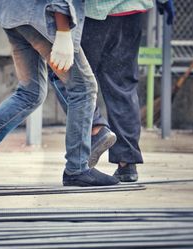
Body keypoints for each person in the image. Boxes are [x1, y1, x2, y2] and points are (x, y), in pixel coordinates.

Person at [0, 0, 119, 187]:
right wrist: (63, 32)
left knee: (31, 92)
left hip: (12, 13)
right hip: (41, 16)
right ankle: (77, 169)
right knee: (84, 87)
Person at [49, 0, 174, 182]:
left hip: (95, 13)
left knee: (66, 76)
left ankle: (96, 128)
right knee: (122, 84)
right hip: (133, 10)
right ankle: (127, 163)